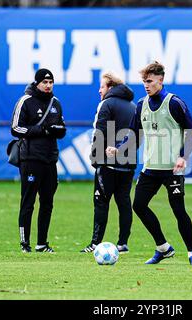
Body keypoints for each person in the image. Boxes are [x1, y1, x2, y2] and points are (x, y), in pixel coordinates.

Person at [106, 61, 192, 266]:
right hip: (150, 168)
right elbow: (133, 132)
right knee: (139, 206)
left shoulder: (174, 103)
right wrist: (119, 148)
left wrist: (182, 156)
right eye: (144, 82)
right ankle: (163, 248)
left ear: (161, 80)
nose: (146, 85)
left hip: (172, 169)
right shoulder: (141, 104)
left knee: (178, 210)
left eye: (149, 81)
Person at [10, 68, 66, 253]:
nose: (48, 85)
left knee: (47, 202)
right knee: (28, 202)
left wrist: (59, 129)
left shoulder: (56, 102)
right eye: (45, 82)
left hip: (50, 160)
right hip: (31, 159)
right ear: (37, 83)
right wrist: (42, 130)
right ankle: (24, 243)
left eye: (51, 82)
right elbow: (16, 128)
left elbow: (62, 128)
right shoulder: (25, 101)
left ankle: (42, 244)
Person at [80, 72, 136, 254]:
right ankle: (123, 243)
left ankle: (95, 243)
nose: (99, 90)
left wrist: (95, 159)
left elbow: (100, 131)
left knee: (101, 201)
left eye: (102, 86)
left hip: (108, 161)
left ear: (110, 88)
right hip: (128, 162)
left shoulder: (107, 103)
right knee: (124, 202)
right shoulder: (132, 106)